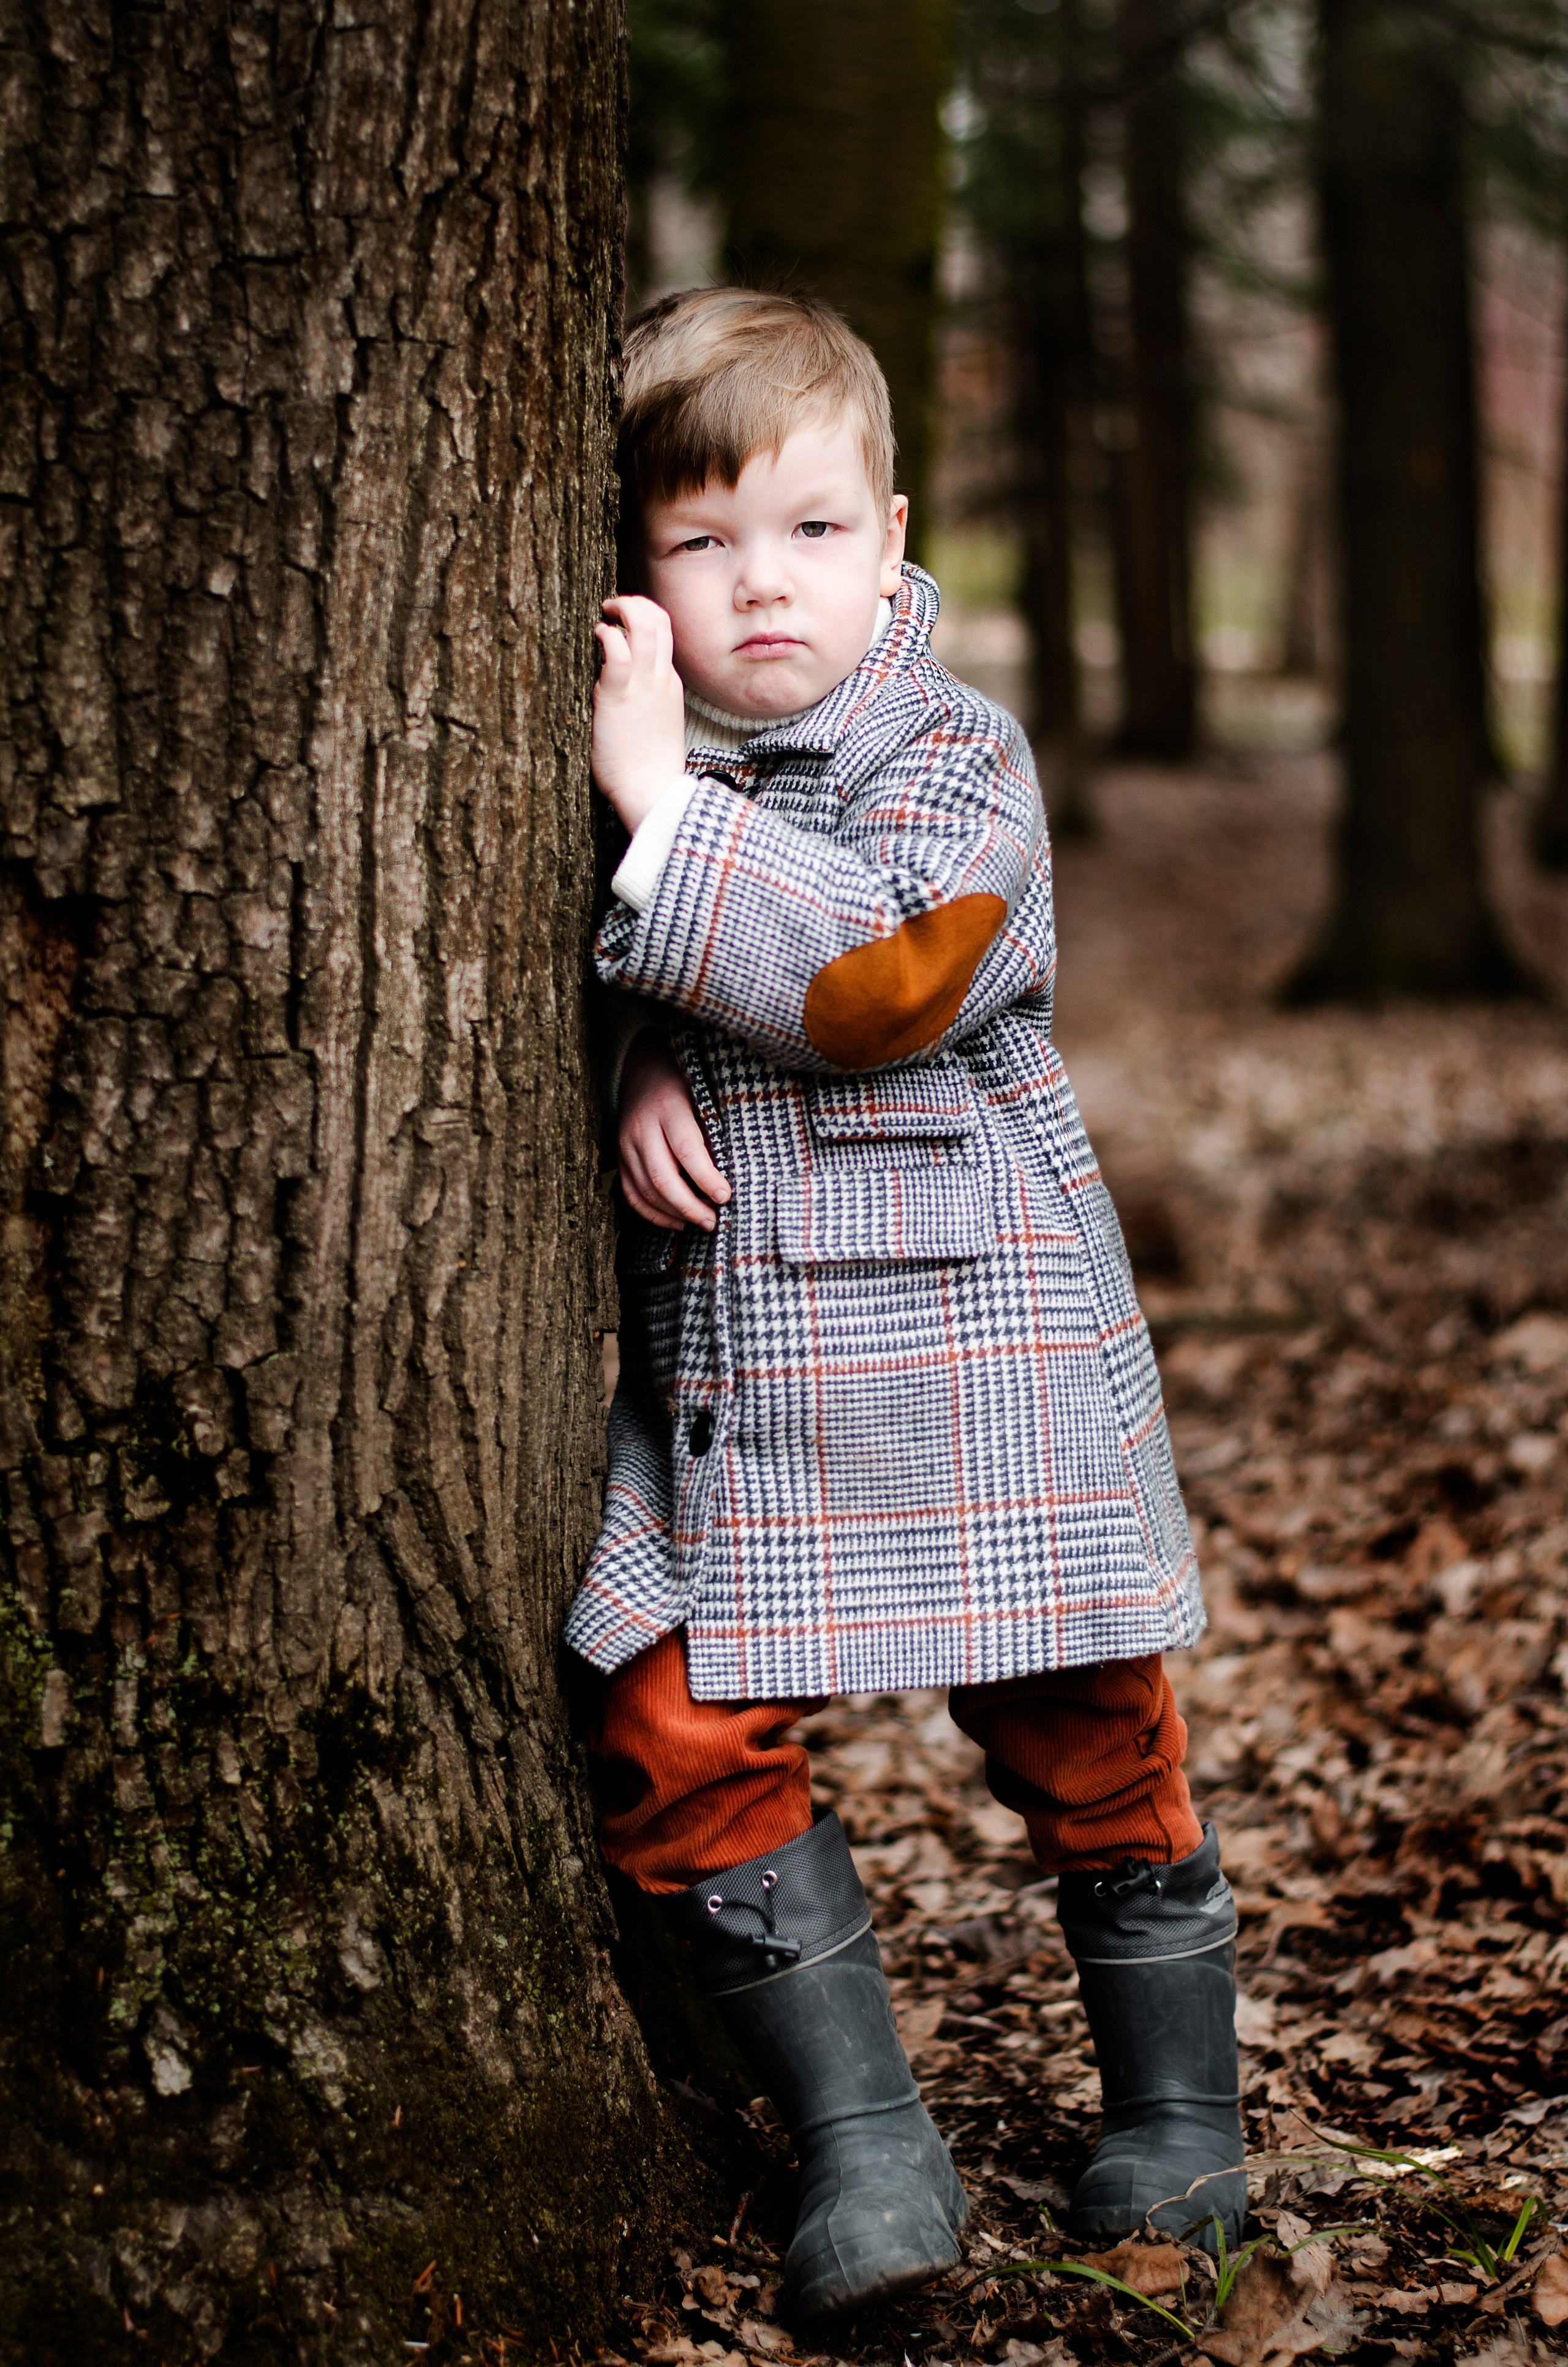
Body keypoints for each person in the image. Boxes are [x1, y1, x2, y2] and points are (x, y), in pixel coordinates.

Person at [565, 287, 1242, 2329]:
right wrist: (636, 1064)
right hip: (747, 1373)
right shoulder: (649, 767)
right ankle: (867, 2135)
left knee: (1090, 1714)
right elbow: (609, 986)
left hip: (976, 1343)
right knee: (669, 1719)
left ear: (896, 530)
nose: (762, 586)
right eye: (699, 544)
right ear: (634, 571)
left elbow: (878, 989)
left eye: (813, 531)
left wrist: (665, 819)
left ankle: (1179, 2102)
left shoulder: (955, 753)